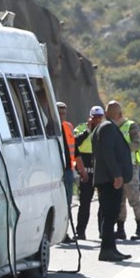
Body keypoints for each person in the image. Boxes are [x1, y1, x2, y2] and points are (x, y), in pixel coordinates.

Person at [91, 104, 134, 262]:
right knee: (110, 214)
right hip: (109, 179)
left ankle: (110, 248)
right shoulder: (108, 127)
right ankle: (107, 250)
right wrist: (117, 175)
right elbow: (108, 153)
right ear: (120, 114)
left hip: (106, 178)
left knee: (110, 214)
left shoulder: (102, 126)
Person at [107, 100, 140, 241]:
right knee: (120, 199)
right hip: (117, 168)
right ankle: (120, 229)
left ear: (119, 114)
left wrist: (120, 147)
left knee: (133, 198)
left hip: (131, 166)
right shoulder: (110, 127)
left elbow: (136, 144)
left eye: (112, 116)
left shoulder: (131, 126)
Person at [72, 105, 105, 240]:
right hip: (86, 168)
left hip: (101, 167)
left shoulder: (106, 129)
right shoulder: (80, 128)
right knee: (85, 202)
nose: (97, 120)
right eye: (94, 118)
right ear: (90, 117)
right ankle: (80, 232)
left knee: (104, 202)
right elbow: (74, 144)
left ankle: (103, 231)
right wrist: (88, 131)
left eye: (99, 117)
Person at [57, 102, 78, 242]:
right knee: (60, 203)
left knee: (68, 202)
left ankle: (64, 233)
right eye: (59, 112)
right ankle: (60, 234)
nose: (62, 116)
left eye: (64, 113)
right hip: (56, 172)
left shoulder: (68, 127)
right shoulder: (49, 128)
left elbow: (75, 148)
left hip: (68, 170)